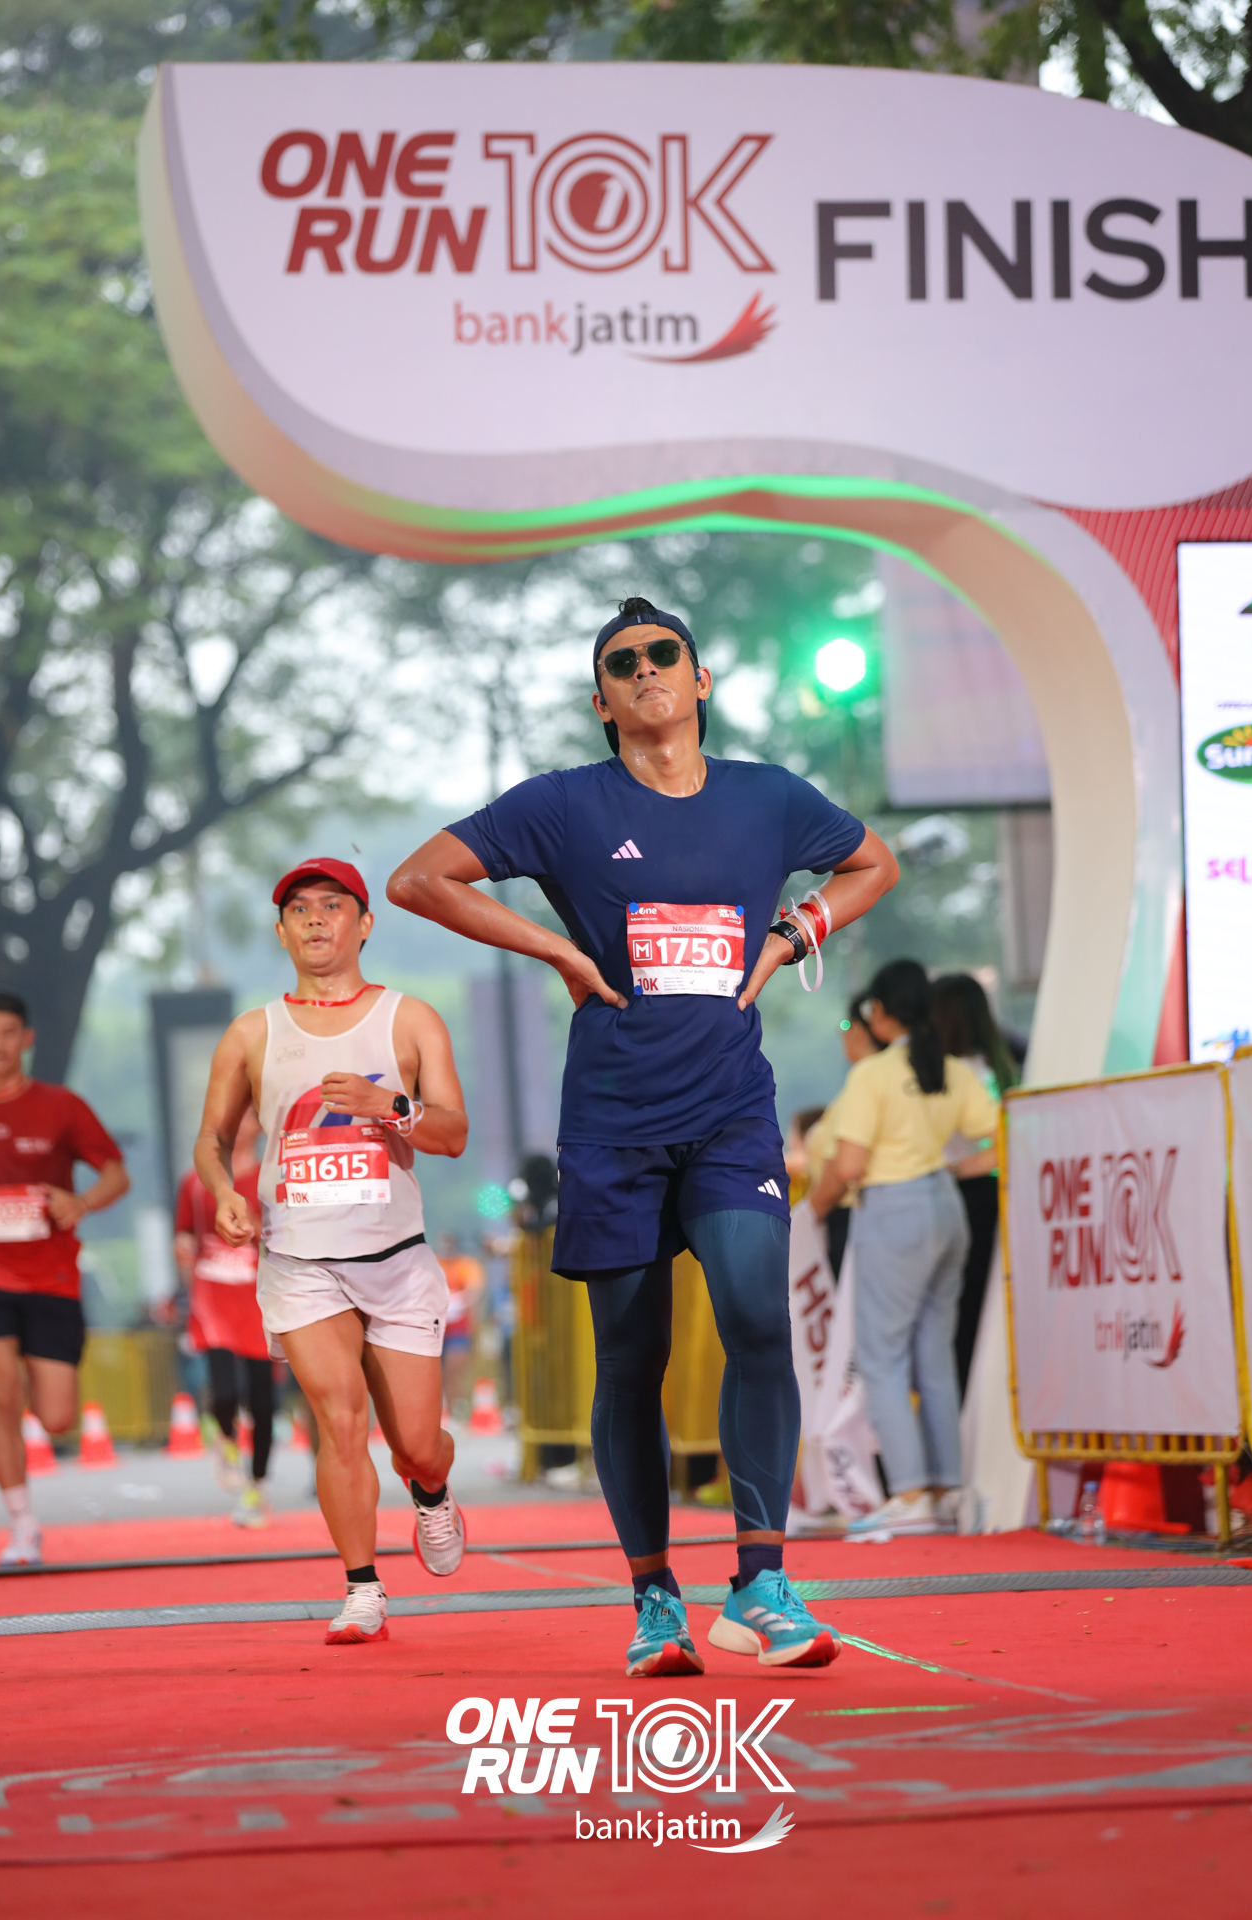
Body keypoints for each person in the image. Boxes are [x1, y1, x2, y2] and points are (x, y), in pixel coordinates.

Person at [387, 594, 898, 1676]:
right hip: (613, 1120)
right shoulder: (565, 805)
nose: (646, 670)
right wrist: (557, 951)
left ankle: (760, 1582)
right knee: (632, 1356)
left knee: (757, 1317)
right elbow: (418, 879)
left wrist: (789, 936)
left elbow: (872, 865)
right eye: (623, 664)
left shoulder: (767, 798)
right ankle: (655, 1598)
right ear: (602, 700)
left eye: (665, 654)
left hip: (730, 1109)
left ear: (700, 681)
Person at [193, 857, 469, 1645]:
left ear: (364, 923)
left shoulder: (409, 1020)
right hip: (300, 1262)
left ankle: (431, 1489)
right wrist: (224, 1192)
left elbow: (453, 1133)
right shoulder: (252, 1033)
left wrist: (390, 1106)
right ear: (282, 932)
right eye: (300, 909)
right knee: (338, 1420)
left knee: (416, 1444)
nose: (316, 919)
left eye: (333, 905)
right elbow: (211, 1140)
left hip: (397, 1257)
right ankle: (362, 1587)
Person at [808, 959, 1000, 1538]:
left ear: (882, 1013)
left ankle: (911, 1492)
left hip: (894, 1210)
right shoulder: (950, 1068)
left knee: (883, 1357)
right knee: (934, 1355)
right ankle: (946, 1489)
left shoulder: (874, 1074)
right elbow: (1006, 1130)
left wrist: (813, 1209)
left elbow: (849, 1165)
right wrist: (960, 1169)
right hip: (946, 1204)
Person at [0, 989, 129, 1566]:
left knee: (57, 1416)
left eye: (7, 1033)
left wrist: (80, 1202)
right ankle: (22, 1526)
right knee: (0, 1387)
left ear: (27, 1039)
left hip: (53, 1277)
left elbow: (115, 1174)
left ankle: (24, 1387)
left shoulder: (61, 1106)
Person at [174, 1108, 275, 1526]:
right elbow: (184, 1235)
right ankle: (226, 1438)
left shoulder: (272, 1178)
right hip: (213, 1296)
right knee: (225, 1389)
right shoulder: (195, 1182)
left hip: (258, 1299)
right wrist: (186, 1264)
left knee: (263, 1401)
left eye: (249, 1115)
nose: (240, 1123)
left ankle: (257, 1487)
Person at [929, 973, 1018, 1401]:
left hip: (962, 1196)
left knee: (960, 1317)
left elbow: (1001, 1144)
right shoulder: (1001, 1067)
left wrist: (952, 1171)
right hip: (998, 1199)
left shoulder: (953, 1073)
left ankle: (963, 1413)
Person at [804, 995, 885, 1282]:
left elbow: (842, 1168)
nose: (842, 1034)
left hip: (853, 1219)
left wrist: (806, 1216)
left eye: (845, 1025)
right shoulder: (880, 1078)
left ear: (862, 1030)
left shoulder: (865, 1080)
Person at [436, 1232, 486, 1416]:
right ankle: (444, 1411)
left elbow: (474, 1290)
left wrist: (459, 1301)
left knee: (454, 1370)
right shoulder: (434, 1264)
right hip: (436, 1328)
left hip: (459, 1329)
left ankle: (457, 1409)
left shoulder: (466, 1265)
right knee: (437, 1373)